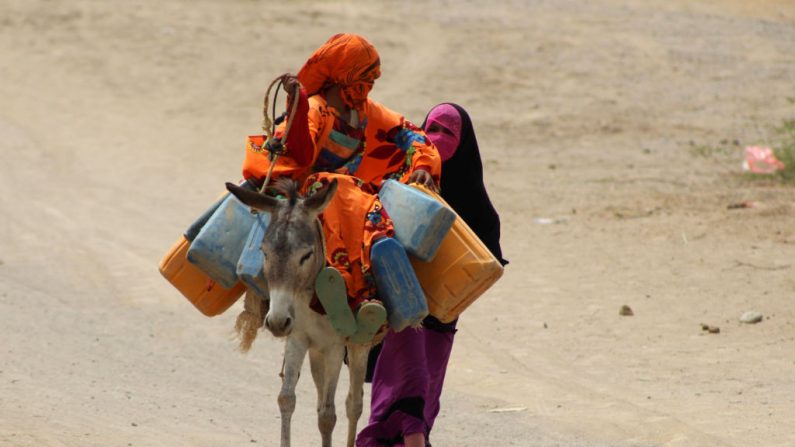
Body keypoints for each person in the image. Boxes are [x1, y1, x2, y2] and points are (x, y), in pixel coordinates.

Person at [238, 33, 441, 346]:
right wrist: (298, 104)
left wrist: (423, 167)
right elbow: (302, 155)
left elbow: (410, 134)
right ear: (342, 78)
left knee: (375, 212)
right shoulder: (315, 109)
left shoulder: (364, 113)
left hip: (353, 197)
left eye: (371, 81)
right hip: (312, 196)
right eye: (362, 80)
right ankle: (346, 291)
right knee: (342, 193)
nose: (367, 88)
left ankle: (367, 301)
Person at [360, 103, 508, 447]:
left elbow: (484, 264)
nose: (438, 138)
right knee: (403, 401)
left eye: (448, 132)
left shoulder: (477, 207)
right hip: (404, 313)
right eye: (433, 128)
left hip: (441, 320)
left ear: (464, 142)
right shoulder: (404, 179)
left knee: (423, 404)